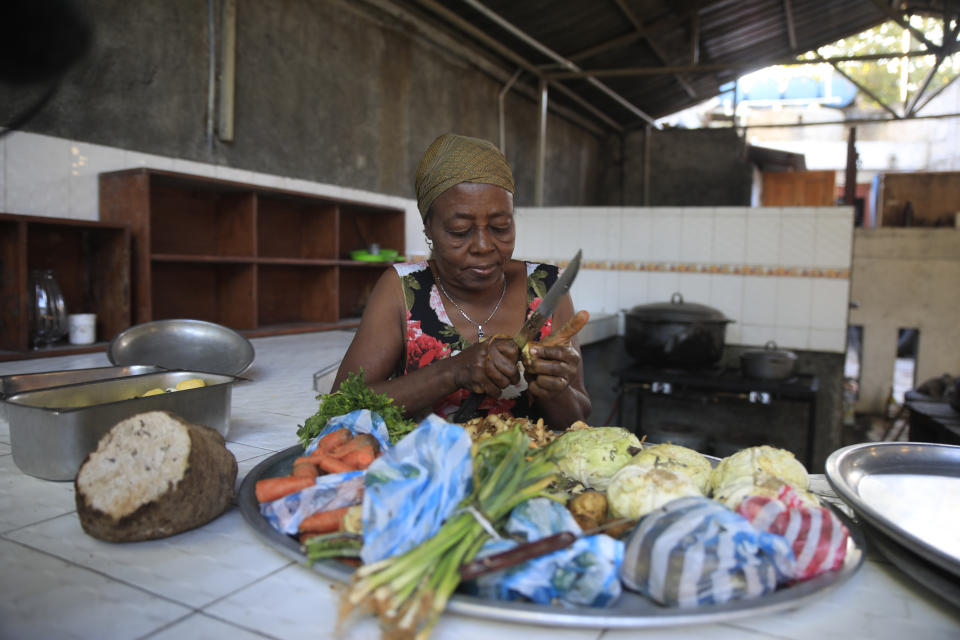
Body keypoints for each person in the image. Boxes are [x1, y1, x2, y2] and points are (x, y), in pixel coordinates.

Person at [332, 133, 591, 429]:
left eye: (500, 227)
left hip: (526, 472)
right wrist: (451, 372)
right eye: (459, 231)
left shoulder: (546, 289)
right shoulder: (402, 290)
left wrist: (554, 391)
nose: (483, 245)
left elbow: (578, 418)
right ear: (428, 227)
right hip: (426, 471)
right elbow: (342, 405)